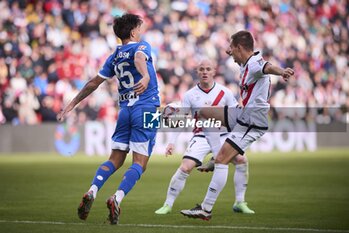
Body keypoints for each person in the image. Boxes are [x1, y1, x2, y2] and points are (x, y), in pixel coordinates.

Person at [57, 13, 160, 225]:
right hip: (147, 108)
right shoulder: (141, 47)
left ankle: (92, 190)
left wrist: (72, 104)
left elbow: (93, 83)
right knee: (140, 163)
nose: (141, 33)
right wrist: (146, 76)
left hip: (125, 111)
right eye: (139, 29)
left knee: (115, 159)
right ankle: (117, 197)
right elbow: (140, 59)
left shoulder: (115, 55)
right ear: (133, 32)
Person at [180, 30, 294, 220]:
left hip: (252, 120)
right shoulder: (247, 61)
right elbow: (243, 55)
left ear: (240, 48)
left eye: (232, 49)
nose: (229, 53)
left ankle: (205, 209)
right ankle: (216, 155)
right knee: (204, 111)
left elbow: (267, 67)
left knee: (223, 160)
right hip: (242, 114)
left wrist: (282, 72)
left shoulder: (255, 63)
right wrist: (231, 48)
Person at [155, 59, 254, 215]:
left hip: (223, 135)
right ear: (197, 72)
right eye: (202, 69)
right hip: (201, 135)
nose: (205, 72)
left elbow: (234, 117)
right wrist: (171, 143)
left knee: (242, 160)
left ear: (214, 71)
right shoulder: (189, 95)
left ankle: (240, 202)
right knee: (185, 167)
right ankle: (167, 205)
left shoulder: (225, 92)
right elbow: (182, 119)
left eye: (208, 69)